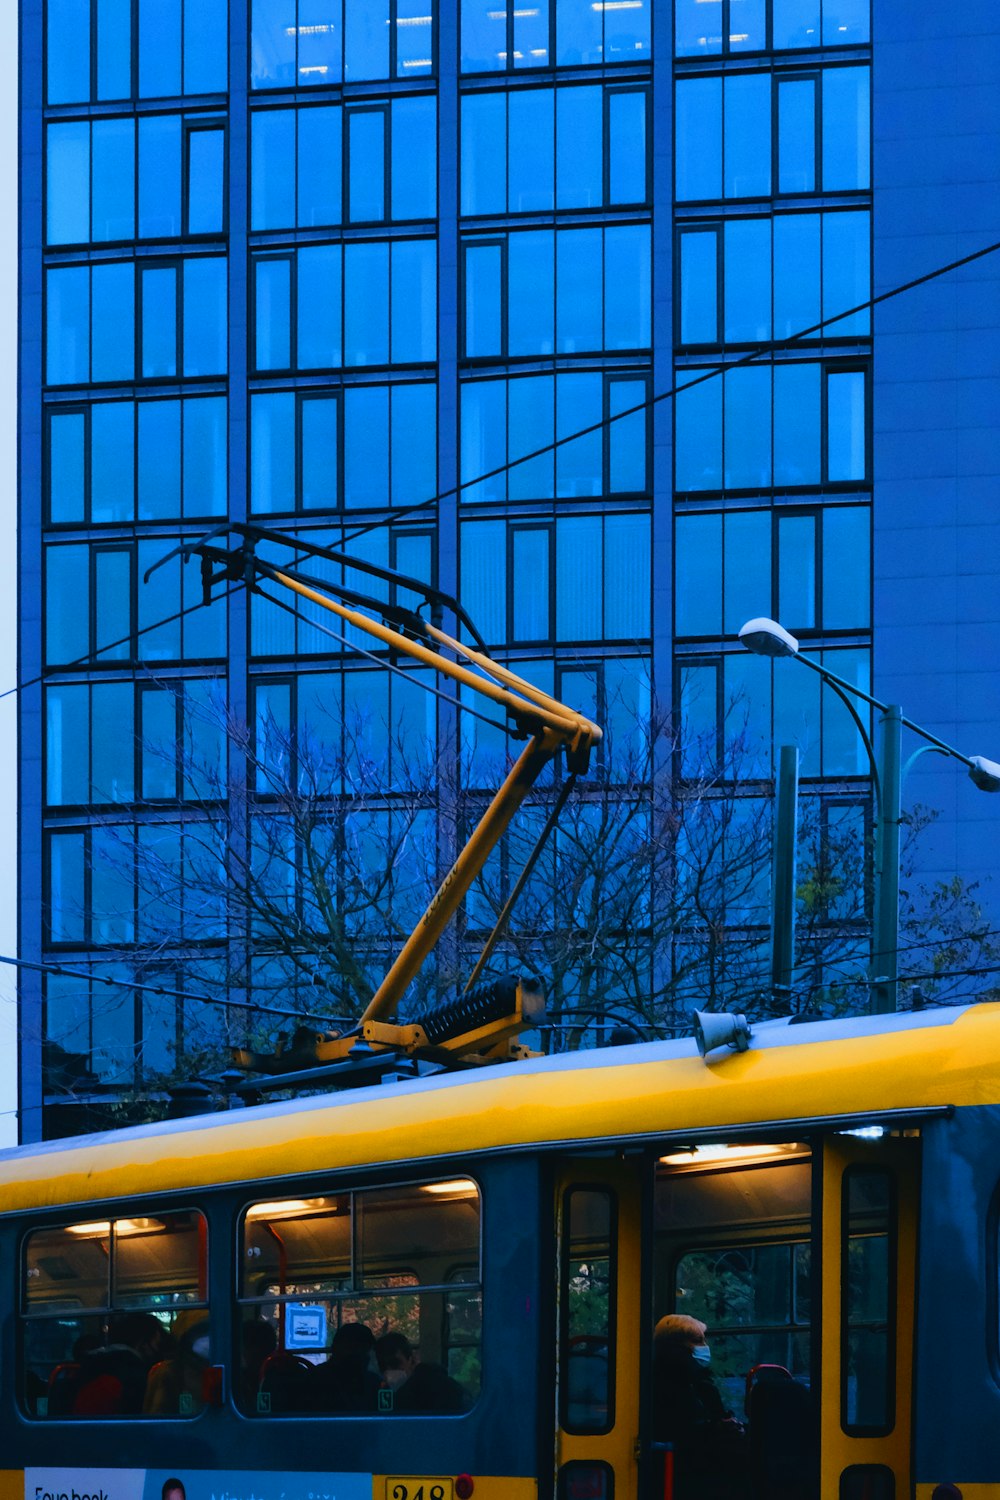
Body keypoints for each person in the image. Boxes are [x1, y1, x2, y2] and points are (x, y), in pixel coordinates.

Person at [652, 1314, 748, 1500]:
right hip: (688, 1464)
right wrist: (719, 1426)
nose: (704, 1346)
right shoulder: (677, 1381)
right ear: (676, 1345)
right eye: (697, 1340)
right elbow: (679, 1427)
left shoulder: (693, 1378)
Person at [72, 1311, 170, 1415]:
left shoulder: (93, 1364)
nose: (158, 1349)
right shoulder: (134, 1374)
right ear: (143, 1343)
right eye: (157, 1343)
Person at [375, 1331, 466, 1415]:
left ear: (410, 1360)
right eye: (382, 1366)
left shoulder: (437, 1386)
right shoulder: (381, 1393)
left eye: (395, 1363)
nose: (389, 1371)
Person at [313, 1321, 380, 1412]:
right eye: (350, 1348)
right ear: (335, 1349)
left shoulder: (374, 1383)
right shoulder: (316, 1381)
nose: (356, 1354)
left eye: (363, 1349)